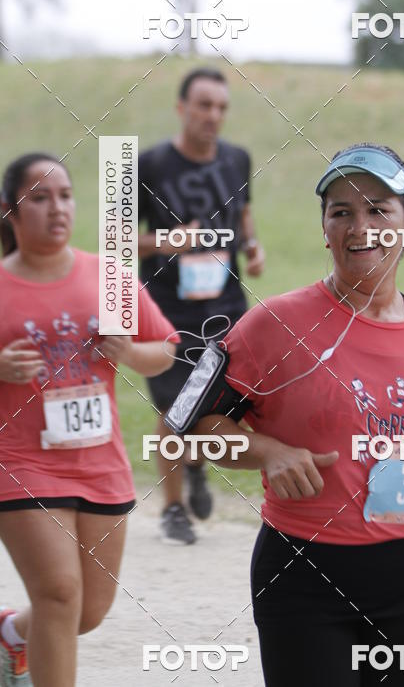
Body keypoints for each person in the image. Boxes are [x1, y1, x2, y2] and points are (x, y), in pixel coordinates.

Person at [186, 142, 404, 686]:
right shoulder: (273, 324)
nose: (360, 227)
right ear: (324, 229)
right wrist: (267, 451)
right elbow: (193, 426)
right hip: (303, 574)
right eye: (342, 211)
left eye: (379, 209)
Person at [0, 153, 178, 687]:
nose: (57, 208)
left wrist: (130, 352)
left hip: (100, 464)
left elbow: (165, 349)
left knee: (85, 612)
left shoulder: (107, 278)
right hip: (21, 463)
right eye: (39, 198)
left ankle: (11, 636)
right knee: (59, 592)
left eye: (65, 196)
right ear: (10, 210)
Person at [138, 67, 265, 544]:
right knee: (172, 404)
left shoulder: (237, 159)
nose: (213, 115)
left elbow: (244, 213)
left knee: (222, 400)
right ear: (182, 108)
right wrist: (163, 242)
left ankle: (194, 462)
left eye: (221, 107)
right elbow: (115, 238)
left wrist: (253, 247)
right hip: (164, 305)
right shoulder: (150, 165)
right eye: (204, 105)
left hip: (226, 302)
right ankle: (173, 509)